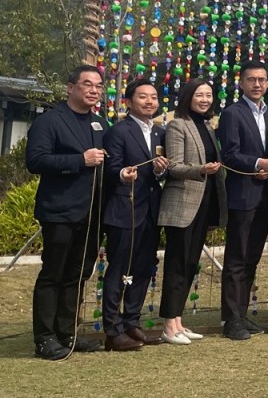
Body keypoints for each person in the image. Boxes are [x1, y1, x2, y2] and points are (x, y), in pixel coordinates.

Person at [26, 65, 108, 359]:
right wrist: (79, 160)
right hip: (60, 211)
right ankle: (44, 338)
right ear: (71, 87)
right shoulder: (51, 121)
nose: (93, 90)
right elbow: (36, 160)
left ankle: (67, 333)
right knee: (54, 274)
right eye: (87, 84)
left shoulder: (99, 124)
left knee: (78, 274)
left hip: (92, 213)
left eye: (98, 86)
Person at [158, 78, 227, 345]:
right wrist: (200, 169)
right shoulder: (178, 124)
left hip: (205, 204)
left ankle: (178, 321)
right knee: (177, 264)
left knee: (189, 264)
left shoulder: (208, 126)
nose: (205, 100)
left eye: (209, 95)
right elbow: (173, 167)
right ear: (188, 97)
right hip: (182, 205)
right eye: (200, 95)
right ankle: (168, 325)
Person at [101, 79, 168, 351]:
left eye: (153, 97)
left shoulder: (159, 133)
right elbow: (110, 167)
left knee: (142, 269)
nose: (150, 102)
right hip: (124, 209)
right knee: (118, 270)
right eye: (143, 97)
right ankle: (112, 330)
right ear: (129, 102)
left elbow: (159, 172)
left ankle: (132, 322)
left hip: (151, 210)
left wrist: (162, 170)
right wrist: (122, 174)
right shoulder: (118, 131)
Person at [217, 61, 268, 340]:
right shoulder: (232, 113)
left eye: (262, 80)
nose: (257, 85)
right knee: (236, 258)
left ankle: (242, 315)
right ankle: (230, 320)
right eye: (251, 80)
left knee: (252, 258)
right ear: (241, 83)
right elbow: (229, 155)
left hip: (266, 195)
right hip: (242, 194)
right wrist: (258, 163)